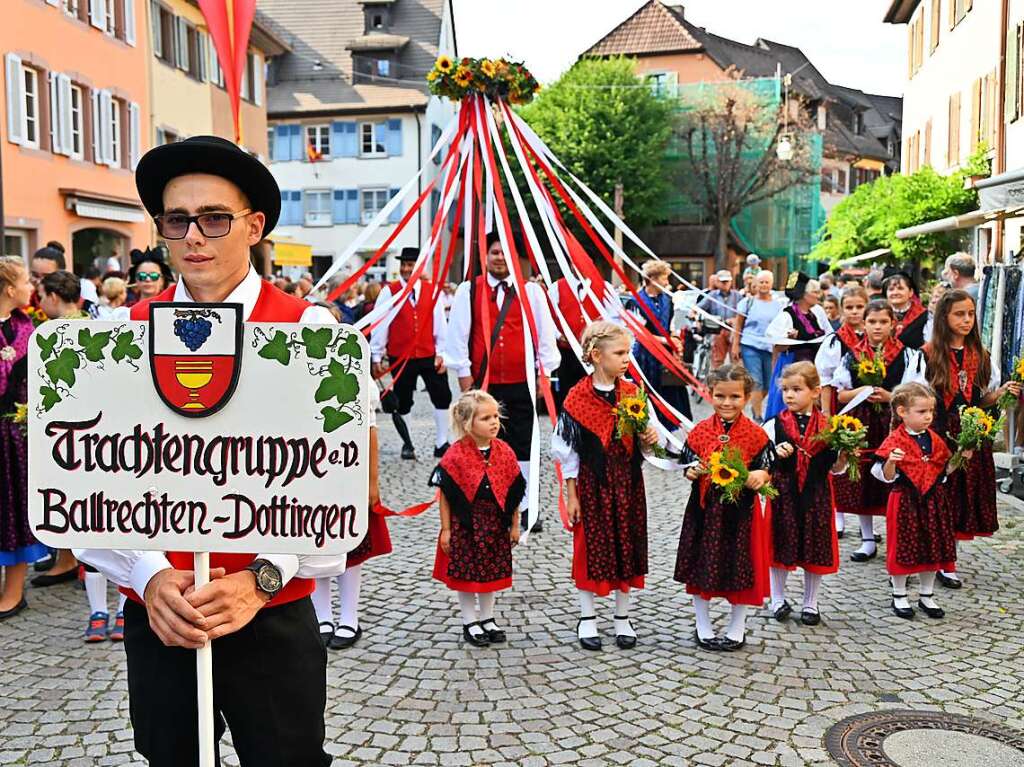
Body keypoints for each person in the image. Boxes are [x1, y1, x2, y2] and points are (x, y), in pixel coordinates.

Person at [77, 135, 340, 767]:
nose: (194, 236)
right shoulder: (116, 336)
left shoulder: (313, 334)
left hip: (271, 612)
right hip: (162, 610)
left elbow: (334, 497)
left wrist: (261, 577)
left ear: (253, 227)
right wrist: (150, 575)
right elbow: (88, 486)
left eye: (214, 217)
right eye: (177, 219)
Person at [552, 322, 657, 652]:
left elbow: (645, 441)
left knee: (625, 543)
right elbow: (567, 451)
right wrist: (571, 494)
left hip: (627, 482)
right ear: (597, 356)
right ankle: (587, 616)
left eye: (629, 352)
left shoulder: (632, 394)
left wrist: (649, 438)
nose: (627, 359)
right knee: (590, 547)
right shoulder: (577, 398)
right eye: (620, 353)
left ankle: (622, 616)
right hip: (592, 484)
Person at [444, 231, 559, 532]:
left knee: (523, 445)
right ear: (486, 256)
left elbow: (545, 337)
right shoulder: (469, 291)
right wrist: (466, 379)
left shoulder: (531, 293)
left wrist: (542, 374)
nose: (499, 257)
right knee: (483, 444)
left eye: (505, 252)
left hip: (522, 382)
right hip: (484, 384)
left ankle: (523, 506)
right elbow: (457, 337)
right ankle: (485, 504)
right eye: (494, 252)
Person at [924, 290, 1020, 589]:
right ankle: (930, 556)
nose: (966, 320)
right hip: (939, 430)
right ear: (944, 318)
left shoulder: (981, 354)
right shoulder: (928, 353)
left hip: (969, 434)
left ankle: (947, 561)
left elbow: (983, 397)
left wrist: (1002, 392)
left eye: (970, 314)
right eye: (959, 314)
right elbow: (917, 395)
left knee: (959, 497)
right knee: (938, 495)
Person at [675, 365, 773, 652]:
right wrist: (692, 471)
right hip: (705, 511)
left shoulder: (755, 434)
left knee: (741, 566)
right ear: (709, 395)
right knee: (701, 564)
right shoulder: (700, 432)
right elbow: (688, 462)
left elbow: (768, 466)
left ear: (746, 397)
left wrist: (762, 475)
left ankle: (737, 625)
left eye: (734, 397)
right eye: (720, 396)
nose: (727, 403)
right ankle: (703, 624)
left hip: (741, 514)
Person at [831, 300, 927, 563]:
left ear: (893, 325)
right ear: (863, 325)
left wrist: (889, 396)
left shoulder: (908, 355)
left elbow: (915, 392)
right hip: (862, 422)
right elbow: (841, 394)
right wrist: (863, 391)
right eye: (872, 322)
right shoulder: (852, 355)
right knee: (863, 478)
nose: (877, 327)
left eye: (883, 322)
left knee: (895, 475)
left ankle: (899, 535)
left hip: (894, 421)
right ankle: (867, 538)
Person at [430, 390, 523, 646]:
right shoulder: (455, 455)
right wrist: (446, 530)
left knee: (491, 573)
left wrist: (515, 525)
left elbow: (513, 492)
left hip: (495, 524)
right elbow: (446, 496)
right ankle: (470, 620)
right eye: (486, 418)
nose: (494, 422)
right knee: (467, 574)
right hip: (466, 525)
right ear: (467, 423)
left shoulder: (504, 452)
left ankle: (489, 617)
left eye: (496, 416)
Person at [763, 362, 845, 626]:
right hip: (783, 492)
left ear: (815, 391)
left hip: (816, 493)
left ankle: (811, 602)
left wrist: (845, 454)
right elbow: (762, 460)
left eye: (796, 389)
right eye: (785, 389)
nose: (789, 395)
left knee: (815, 545)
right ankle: (777, 598)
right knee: (781, 542)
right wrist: (775, 454)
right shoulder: (774, 424)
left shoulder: (831, 427)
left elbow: (838, 468)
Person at [312, 385, 389, 650]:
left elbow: (369, 430)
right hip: (309, 469)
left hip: (347, 472)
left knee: (350, 547)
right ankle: (322, 615)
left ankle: (349, 616)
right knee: (316, 544)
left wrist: (372, 482)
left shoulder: (354, 370)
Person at [872, 383, 957, 620]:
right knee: (903, 545)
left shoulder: (935, 439)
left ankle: (926, 594)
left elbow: (944, 471)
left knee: (932, 545)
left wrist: (961, 457)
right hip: (904, 499)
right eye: (921, 412)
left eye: (931, 411)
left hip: (933, 499)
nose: (928, 416)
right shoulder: (894, 440)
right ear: (902, 412)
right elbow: (883, 476)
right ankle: (899, 594)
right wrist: (891, 462)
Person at [0, 257, 48, 620]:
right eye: (26, 281)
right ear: (8, 289)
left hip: (13, 435)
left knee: (13, 509)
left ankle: (14, 592)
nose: (32, 286)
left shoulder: (26, 325)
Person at [370, 247, 451, 460]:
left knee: (442, 396)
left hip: (428, 353)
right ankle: (408, 443)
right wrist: (376, 355)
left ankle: (442, 442)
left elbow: (440, 324)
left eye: (410, 265)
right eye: (404, 265)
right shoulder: (390, 291)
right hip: (401, 355)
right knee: (403, 401)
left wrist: (441, 351)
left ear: (419, 267)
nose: (406, 269)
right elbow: (381, 324)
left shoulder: (432, 290)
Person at [815, 285, 869, 539]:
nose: (855, 312)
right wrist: (826, 413)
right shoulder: (835, 341)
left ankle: (864, 520)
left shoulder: (874, 338)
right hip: (842, 406)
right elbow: (826, 380)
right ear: (841, 310)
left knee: (863, 463)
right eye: (849, 307)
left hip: (868, 409)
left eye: (859, 307)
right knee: (839, 459)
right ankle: (837, 515)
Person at [626, 260, 691, 441]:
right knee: (648, 394)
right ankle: (648, 436)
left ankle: (669, 436)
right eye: (664, 277)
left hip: (665, 357)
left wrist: (675, 339)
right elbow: (639, 333)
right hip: (646, 358)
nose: (667, 282)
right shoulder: (635, 301)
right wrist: (666, 341)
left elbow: (670, 325)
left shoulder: (667, 299)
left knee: (671, 393)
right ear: (653, 279)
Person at [548, 267, 619, 414]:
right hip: (566, 352)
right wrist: (558, 335)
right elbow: (548, 316)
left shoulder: (605, 287)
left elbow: (615, 317)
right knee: (567, 392)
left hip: (596, 353)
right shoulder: (557, 287)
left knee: (595, 391)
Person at [763, 273, 828, 421]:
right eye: (815, 292)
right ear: (804, 295)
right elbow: (777, 346)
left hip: (813, 365)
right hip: (793, 364)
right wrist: (788, 338)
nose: (819, 296)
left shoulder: (816, 313)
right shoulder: (787, 315)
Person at [731, 270, 783, 423]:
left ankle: (756, 404)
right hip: (750, 345)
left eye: (767, 282)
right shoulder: (747, 303)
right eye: (761, 282)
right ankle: (758, 416)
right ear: (755, 284)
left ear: (772, 284)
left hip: (770, 348)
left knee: (768, 383)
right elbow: (738, 325)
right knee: (756, 381)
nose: (764, 285)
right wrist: (735, 345)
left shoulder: (778, 305)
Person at [696, 269, 741, 367]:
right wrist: (696, 318)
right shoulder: (712, 295)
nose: (725, 284)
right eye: (722, 281)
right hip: (717, 330)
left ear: (731, 282)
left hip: (733, 330)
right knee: (717, 359)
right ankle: (717, 380)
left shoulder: (738, 296)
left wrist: (735, 320)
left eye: (727, 281)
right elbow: (698, 308)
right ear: (717, 282)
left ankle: (735, 380)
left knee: (735, 358)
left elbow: (743, 313)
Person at [883, 267, 928, 349]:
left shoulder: (924, 316)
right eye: (891, 289)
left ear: (911, 292)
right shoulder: (881, 314)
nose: (895, 293)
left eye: (900, 288)